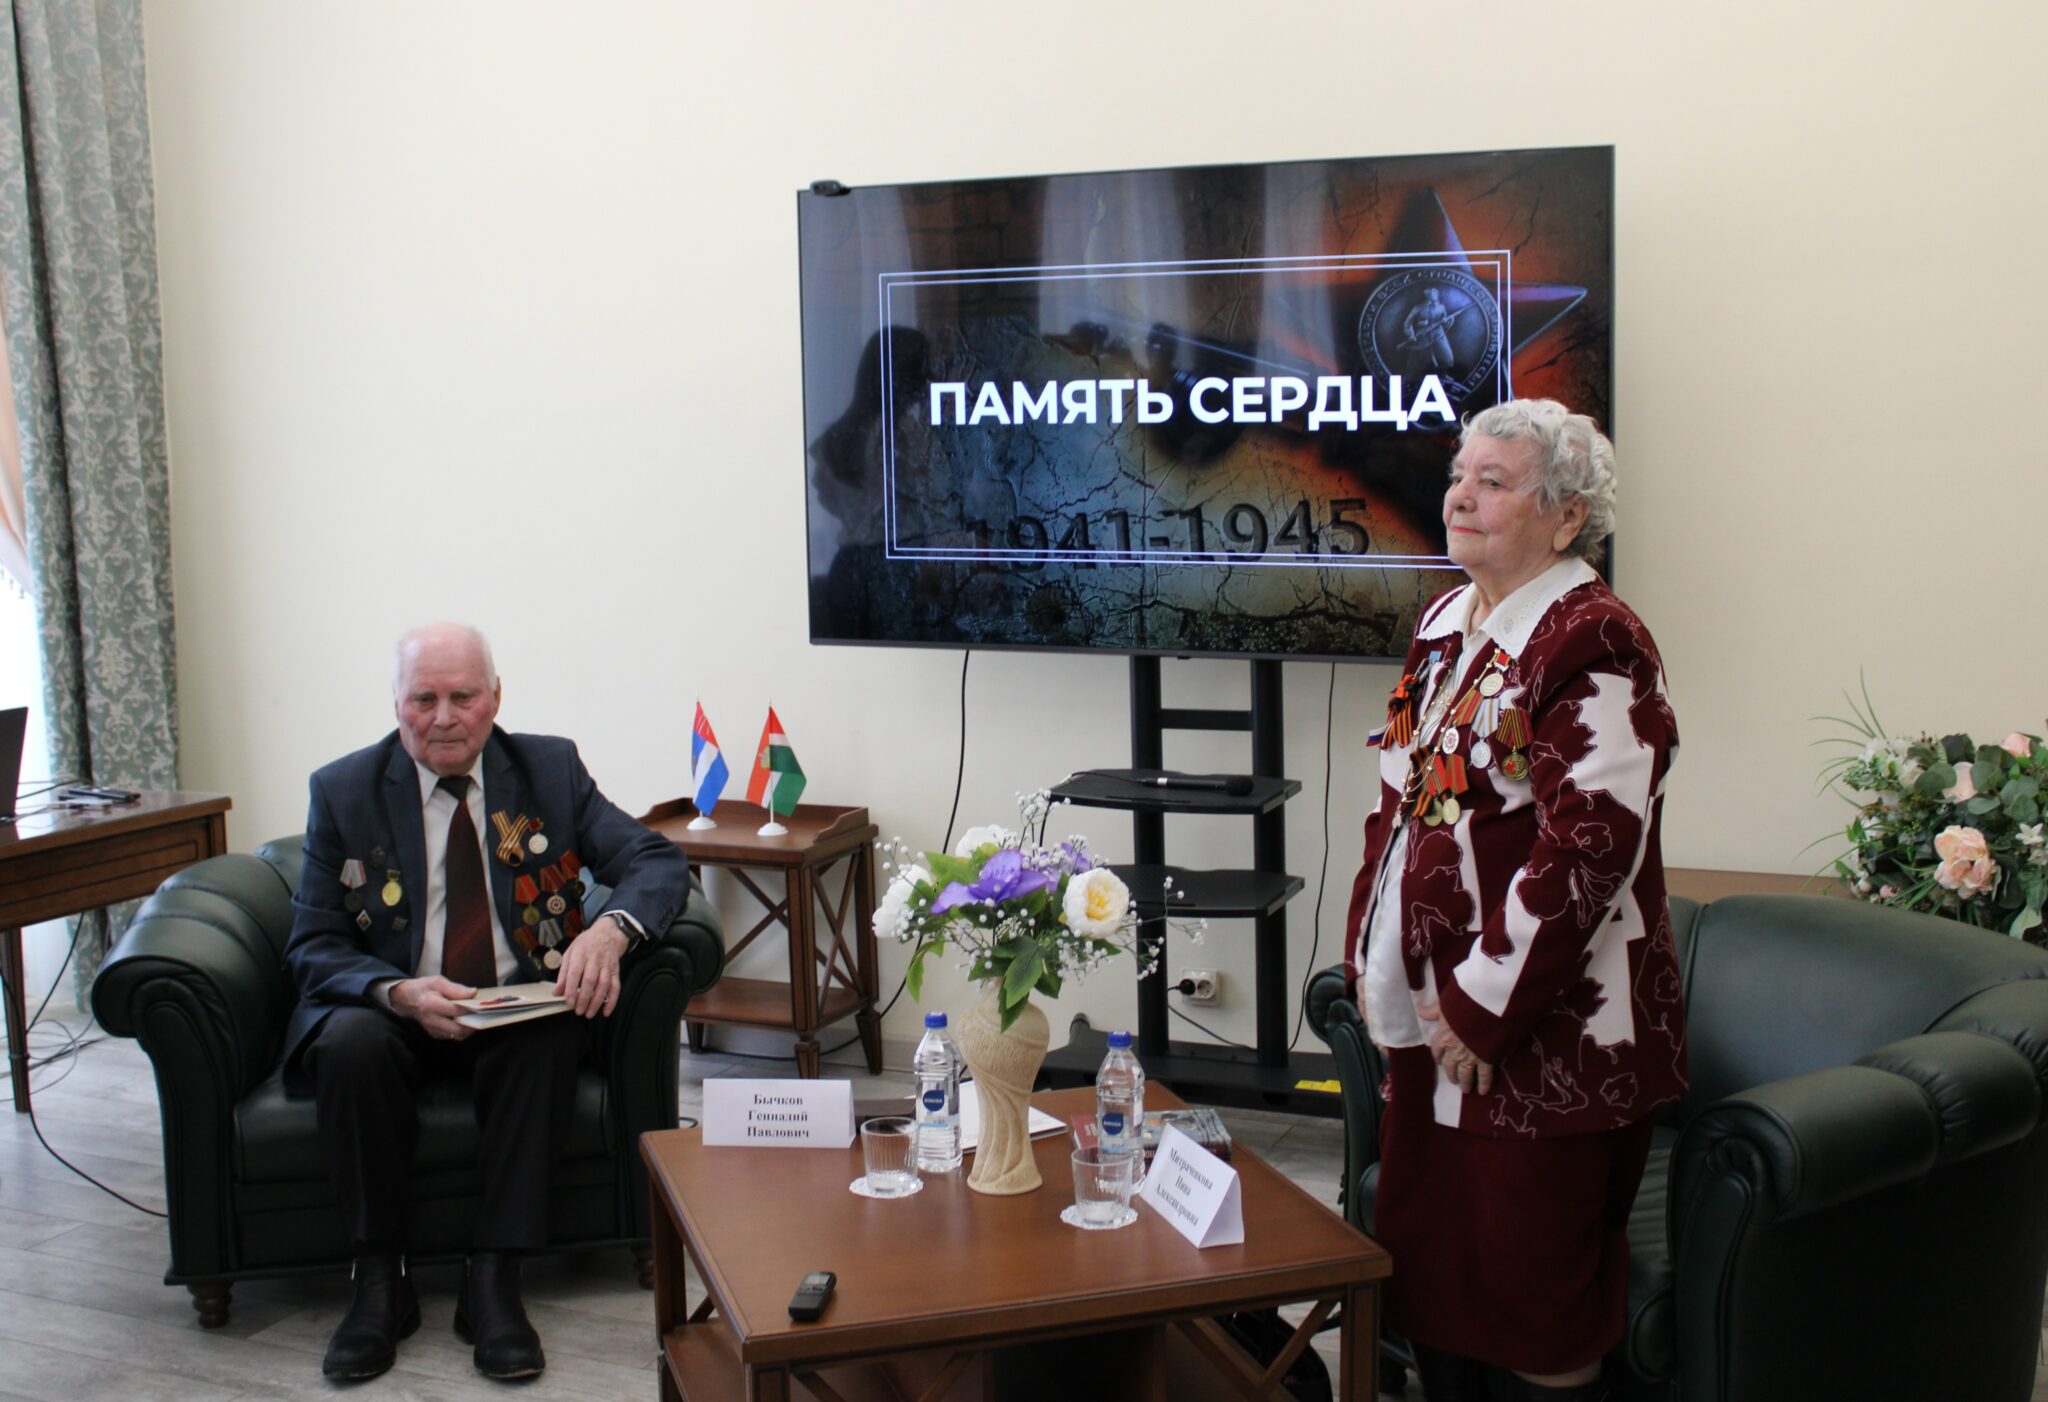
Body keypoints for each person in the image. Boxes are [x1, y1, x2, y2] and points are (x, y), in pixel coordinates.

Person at [1344, 401, 1686, 1402]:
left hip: (1545, 1035)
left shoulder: (1597, 639)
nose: (1459, 495)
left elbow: (1591, 846)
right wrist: (1375, 956)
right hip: (1435, 1020)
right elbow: (1401, 803)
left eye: (1492, 482)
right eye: (1460, 474)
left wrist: (1481, 1005)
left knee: (1536, 1303)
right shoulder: (1443, 623)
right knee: (1436, 1282)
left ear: (1566, 516)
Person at [282, 622, 691, 1382]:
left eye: (462, 697)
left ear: (495, 698)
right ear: (396, 704)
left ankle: (495, 1278)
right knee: (348, 1046)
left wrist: (609, 932)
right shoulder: (342, 791)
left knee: (550, 1033)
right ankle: (379, 1282)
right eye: (423, 699)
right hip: (393, 1011)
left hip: (513, 1006)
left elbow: (654, 859)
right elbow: (312, 944)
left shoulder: (548, 769)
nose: (443, 718)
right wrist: (396, 992)